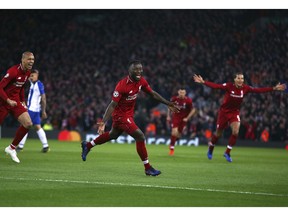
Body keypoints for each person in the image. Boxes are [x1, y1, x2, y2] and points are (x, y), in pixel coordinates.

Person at [81, 60, 180, 176]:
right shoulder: (122, 85)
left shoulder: (141, 81)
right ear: (130, 71)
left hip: (129, 114)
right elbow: (112, 104)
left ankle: (88, 145)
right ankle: (148, 167)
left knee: (113, 135)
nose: (139, 71)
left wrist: (167, 103)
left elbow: (152, 93)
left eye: (140, 69)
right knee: (140, 136)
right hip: (120, 116)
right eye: (136, 69)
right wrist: (103, 121)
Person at [193, 73, 286, 162]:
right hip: (224, 113)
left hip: (234, 112)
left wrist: (273, 88)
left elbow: (258, 90)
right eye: (239, 78)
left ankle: (227, 152)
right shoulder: (229, 86)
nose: (241, 80)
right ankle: (211, 147)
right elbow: (217, 86)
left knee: (235, 131)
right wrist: (203, 82)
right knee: (218, 134)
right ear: (234, 79)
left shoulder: (245, 88)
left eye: (242, 78)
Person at [0, 51, 35, 163]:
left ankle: (11, 148)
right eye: (29, 59)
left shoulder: (28, 73)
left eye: (33, 59)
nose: (31, 61)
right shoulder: (13, 72)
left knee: (28, 123)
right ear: (23, 60)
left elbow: (21, 88)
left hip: (15, 102)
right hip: (3, 101)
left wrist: (22, 101)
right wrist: (8, 100)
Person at [17, 69, 49, 153]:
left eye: (33, 75)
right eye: (30, 76)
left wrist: (44, 111)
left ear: (37, 75)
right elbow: (27, 78)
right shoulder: (32, 83)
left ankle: (20, 146)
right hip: (35, 110)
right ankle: (46, 146)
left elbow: (44, 98)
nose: (31, 77)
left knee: (24, 125)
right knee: (38, 127)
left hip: (32, 110)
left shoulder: (39, 85)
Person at [166, 88, 196, 156]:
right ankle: (172, 148)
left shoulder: (188, 100)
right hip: (176, 117)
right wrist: (168, 116)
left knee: (178, 135)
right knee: (174, 132)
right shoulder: (174, 99)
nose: (182, 94)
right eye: (180, 92)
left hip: (183, 119)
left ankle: (172, 142)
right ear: (178, 92)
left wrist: (187, 118)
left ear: (185, 93)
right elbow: (169, 106)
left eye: (183, 93)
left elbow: (193, 110)